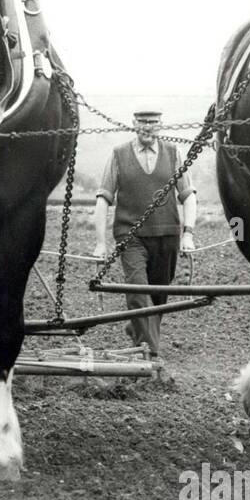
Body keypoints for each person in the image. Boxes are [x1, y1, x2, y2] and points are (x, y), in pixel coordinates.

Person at [92, 110, 197, 356]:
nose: (148, 127)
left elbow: (188, 195)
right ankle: (150, 354)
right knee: (138, 291)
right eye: (142, 122)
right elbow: (103, 198)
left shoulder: (174, 153)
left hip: (167, 234)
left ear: (161, 125)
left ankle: (136, 328)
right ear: (133, 124)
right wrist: (100, 243)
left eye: (153, 122)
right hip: (130, 236)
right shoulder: (119, 155)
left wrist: (188, 233)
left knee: (159, 297)